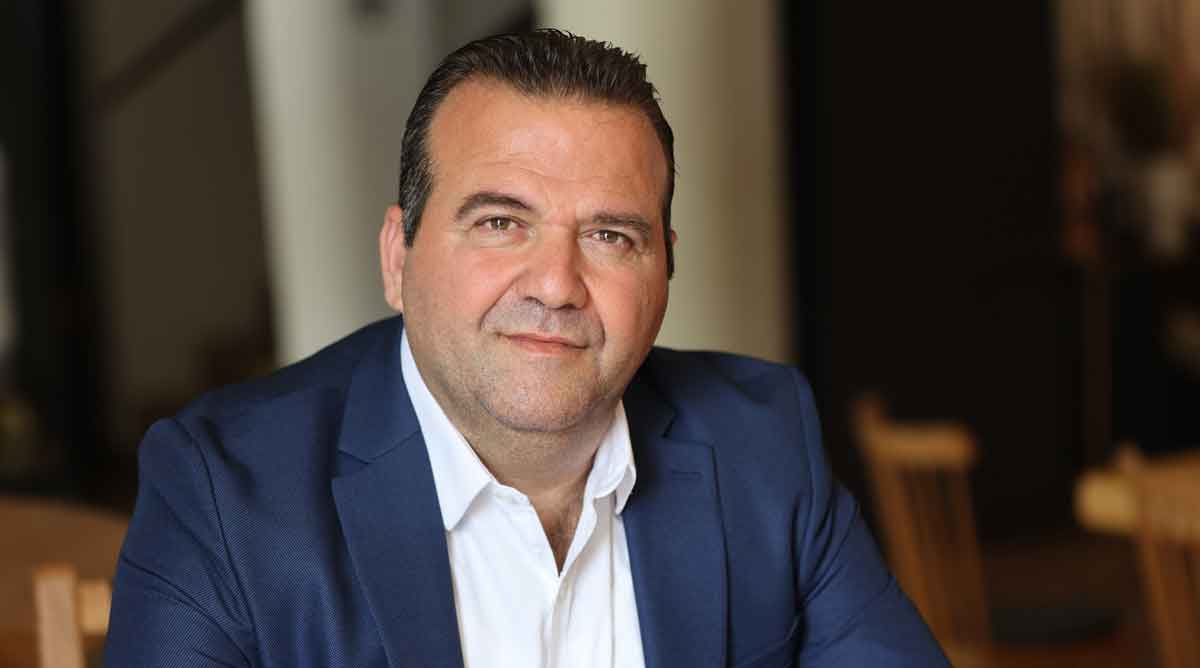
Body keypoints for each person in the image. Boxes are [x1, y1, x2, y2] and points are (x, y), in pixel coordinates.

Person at [106, 30, 946, 667]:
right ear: (399, 257)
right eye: (501, 222)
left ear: (664, 269)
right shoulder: (224, 489)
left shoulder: (763, 439)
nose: (555, 285)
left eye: (611, 236)